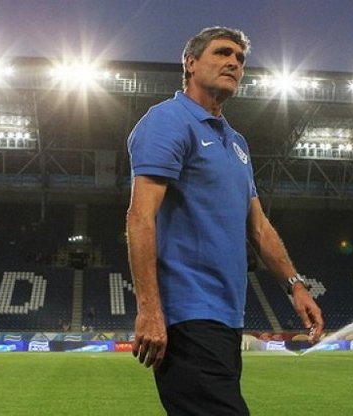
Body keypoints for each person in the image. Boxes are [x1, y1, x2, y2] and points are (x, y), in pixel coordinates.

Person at [126, 26, 324, 415]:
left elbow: (259, 227)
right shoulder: (167, 121)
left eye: (240, 58)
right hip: (187, 315)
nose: (233, 62)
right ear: (190, 62)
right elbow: (140, 216)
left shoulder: (237, 143)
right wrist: (149, 309)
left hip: (226, 318)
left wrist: (296, 287)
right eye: (222, 53)